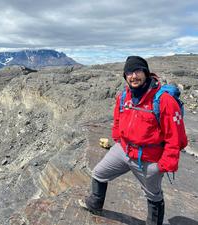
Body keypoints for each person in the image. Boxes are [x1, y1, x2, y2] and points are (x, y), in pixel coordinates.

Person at [80, 56, 188, 225]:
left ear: (146, 73)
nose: (133, 76)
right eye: (129, 72)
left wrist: (165, 164)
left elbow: (176, 136)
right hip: (124, 149)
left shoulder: (163, 100)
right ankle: (94, 204)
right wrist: (117, 137)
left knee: (153, 195)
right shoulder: (124, 96)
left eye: (137, 71)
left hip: (149, 158)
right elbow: (117, 118)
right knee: (99, 173)